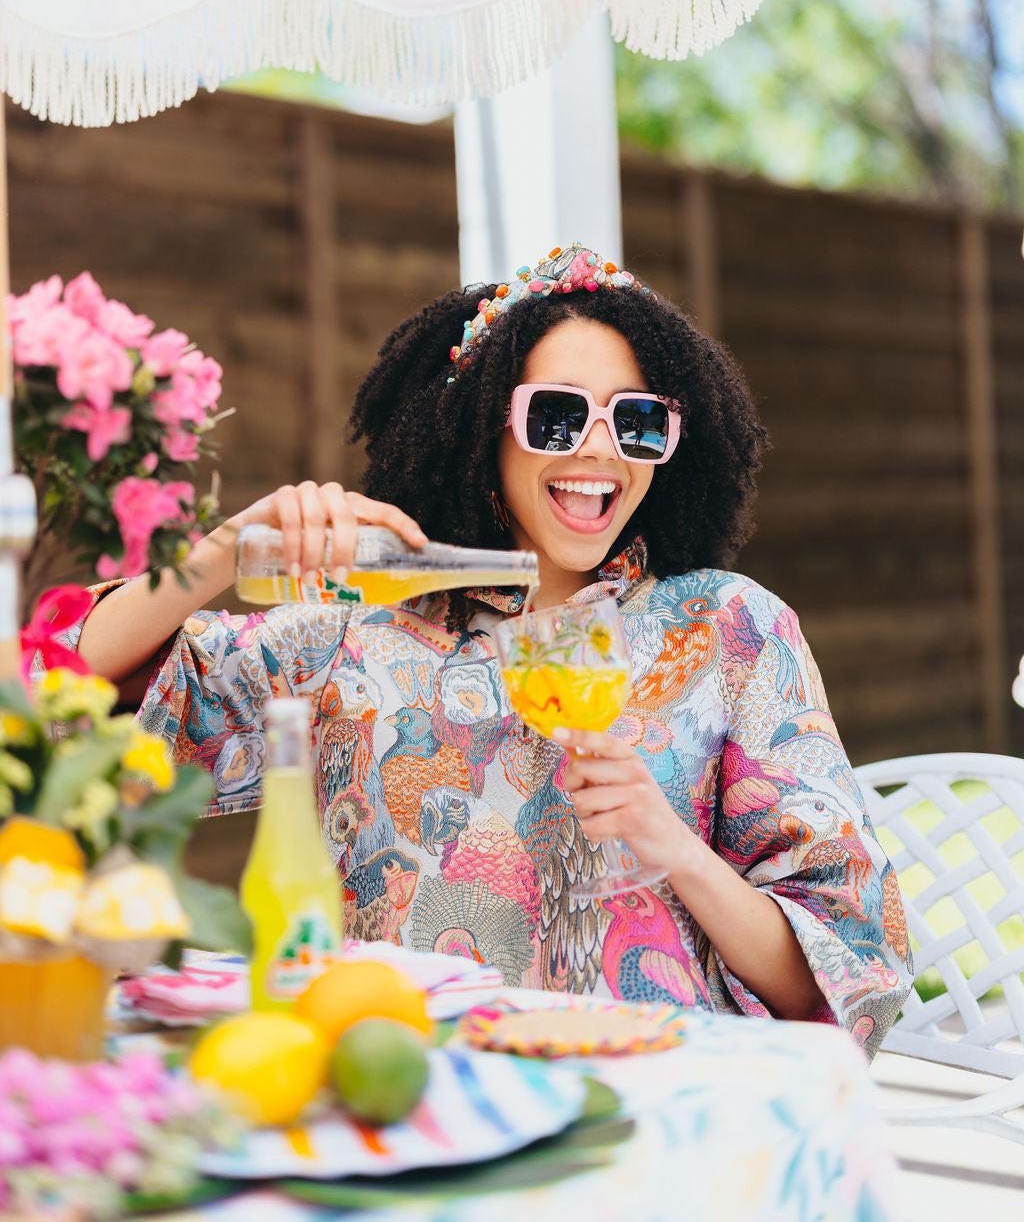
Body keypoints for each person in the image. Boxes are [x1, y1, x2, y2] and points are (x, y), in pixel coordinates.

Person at [77, 242, 912, 1054]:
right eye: (555, 414)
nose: (598, 448)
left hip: (648, 1109)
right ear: (483, 427)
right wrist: (225, 547)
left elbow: (844, 975)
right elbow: (60, 695)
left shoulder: (735, 632)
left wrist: (678, 849)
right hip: (404, 1092)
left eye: (638, 420)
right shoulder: (355, 633)